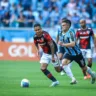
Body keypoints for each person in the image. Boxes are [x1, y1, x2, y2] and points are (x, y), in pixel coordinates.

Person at [58, 19, 96, 84]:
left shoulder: (71, 32)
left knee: (84, 68)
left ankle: (93, 75)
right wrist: (60, 43)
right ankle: (73, 79)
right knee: (64, 63)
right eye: (62, 25)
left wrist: (63, 44)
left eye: (64, 25)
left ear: (68, 26)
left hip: (77, 54)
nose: (62, 26)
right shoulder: (61, 33)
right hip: (69, 53)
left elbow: (73, 44)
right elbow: (61, 41)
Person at [56, 18, 77, 85]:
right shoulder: (60, 28)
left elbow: (73, 38)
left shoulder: (70, 30)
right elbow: (57, 36)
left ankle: (66, 67)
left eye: (64, 23)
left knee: (68, 57)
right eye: (62, 23)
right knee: (60, 57)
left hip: (69, 45)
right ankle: (63, 69)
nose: (62, 24)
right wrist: (57, 42)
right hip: (62, 45)